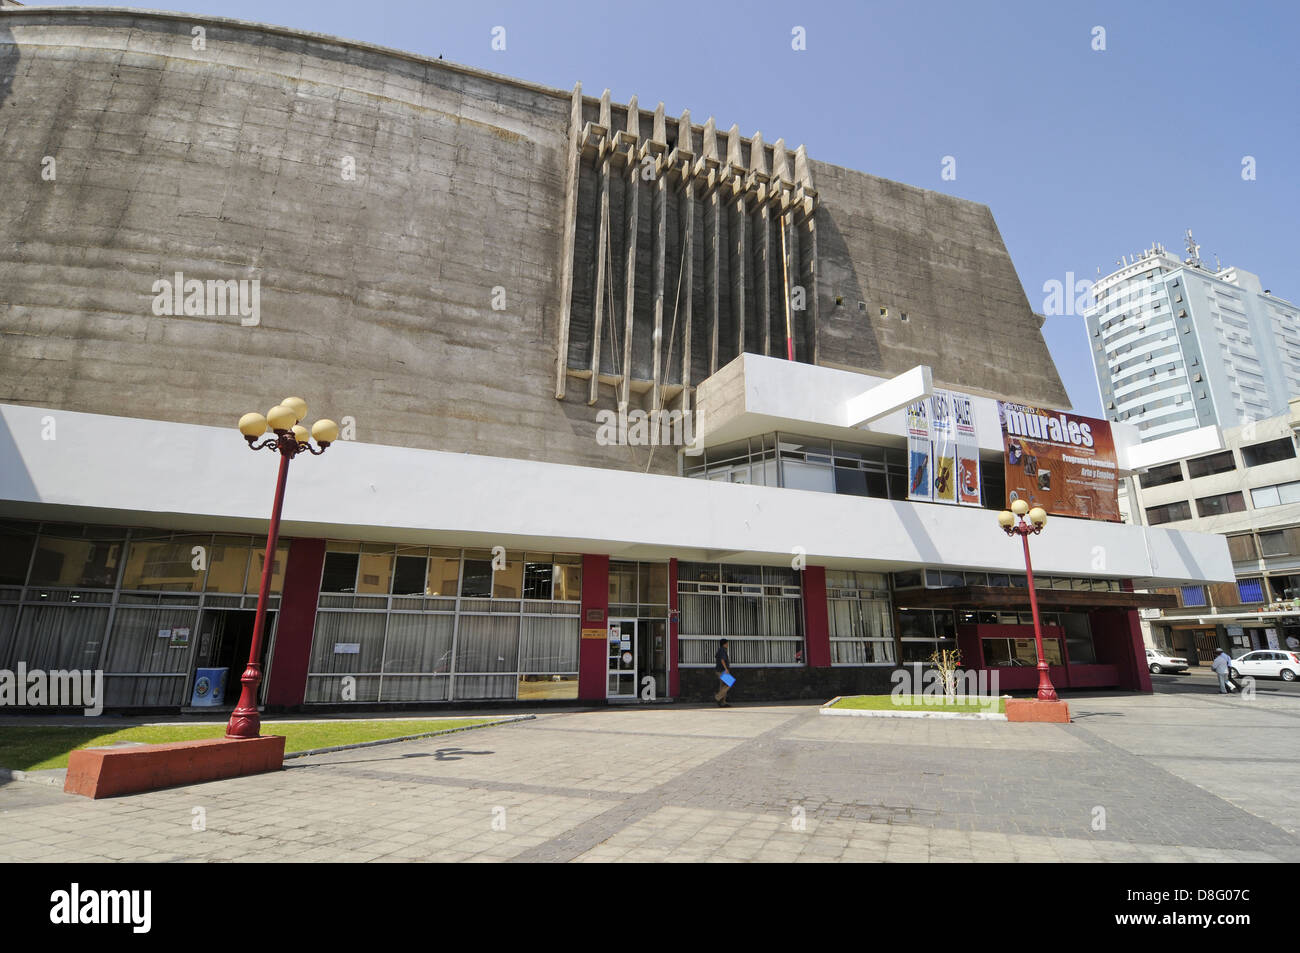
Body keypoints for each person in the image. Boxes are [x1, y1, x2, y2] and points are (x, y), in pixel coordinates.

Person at [714, 638, 732, 707]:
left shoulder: (720, 650)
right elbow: (722, 660)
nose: (728, 645)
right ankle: (718, 697)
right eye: (727, 643)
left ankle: (722, 702)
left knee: (722, 686)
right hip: (722, 670)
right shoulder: (722, 650)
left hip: (719, 670)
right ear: (724, 644)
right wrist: (726, 669)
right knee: (729, 682)